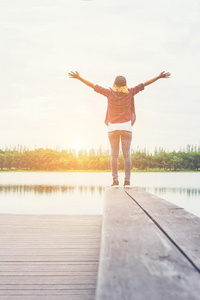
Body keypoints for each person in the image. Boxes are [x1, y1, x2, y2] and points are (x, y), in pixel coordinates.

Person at [68, 70, 171, 187]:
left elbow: (93, 86)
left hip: (112, 128)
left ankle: (115, 181)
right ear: (125, 84)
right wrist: (159, 76)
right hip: (126, 128)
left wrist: (79, 77)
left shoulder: (109, 93)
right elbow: (144, 84)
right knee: (127, 156)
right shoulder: (130, 92)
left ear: (114, 84)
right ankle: (127, 181)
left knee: (114, 156)